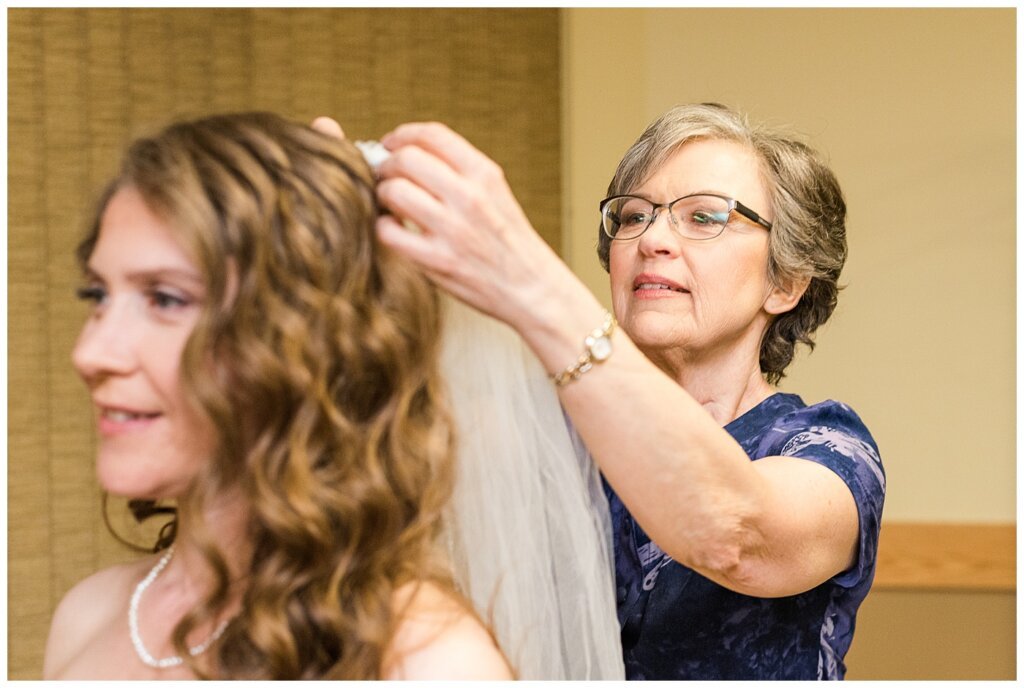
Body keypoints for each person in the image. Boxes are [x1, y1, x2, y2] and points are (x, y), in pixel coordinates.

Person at [365, 102, 886, 680]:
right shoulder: (538, 431)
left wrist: (530, 282)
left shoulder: (828, 450)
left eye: (705, 217)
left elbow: (739, 535)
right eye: (634, 215)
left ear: (785, 283)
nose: (652, 238)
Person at [41, 112, 514, 680]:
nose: (90, 353)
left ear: (302, 343)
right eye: (98, 294)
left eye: (165, 299)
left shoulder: (423, 659)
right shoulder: (86, 615)